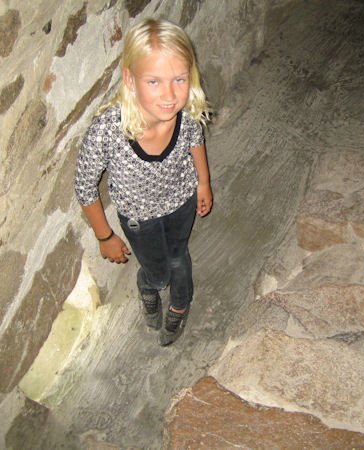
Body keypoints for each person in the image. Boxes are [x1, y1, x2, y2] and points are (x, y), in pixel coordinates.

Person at [74, 18, 212, 346]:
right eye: (154, 81)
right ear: (130, 80)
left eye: (179, 79)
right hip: (139, 218)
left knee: (178, 256)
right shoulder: (108, 130)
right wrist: (105, 236)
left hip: (181, 202)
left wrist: (203, 183)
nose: (169, 95)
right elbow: (84, 187)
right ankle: (149, 285)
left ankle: (180, 304)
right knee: (157, 270)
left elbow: (195, 141)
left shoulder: (186, 113)